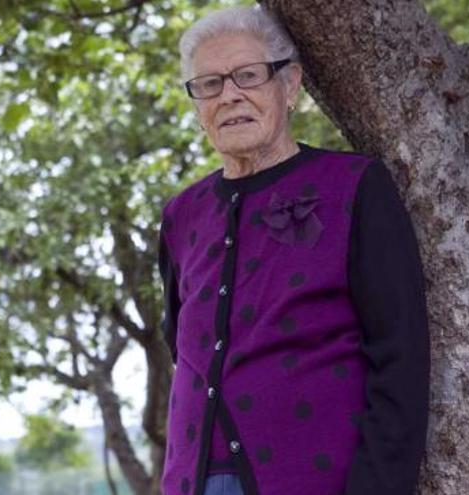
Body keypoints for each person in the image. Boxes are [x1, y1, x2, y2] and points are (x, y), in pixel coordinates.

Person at [157, 5, 430, 495]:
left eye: (248, 75)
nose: (230, 96)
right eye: (210, 84)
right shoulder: (181, 215)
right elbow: (181, 343)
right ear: (197, 105)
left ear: (290, 84)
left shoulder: (353, 186)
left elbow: (400, 355)